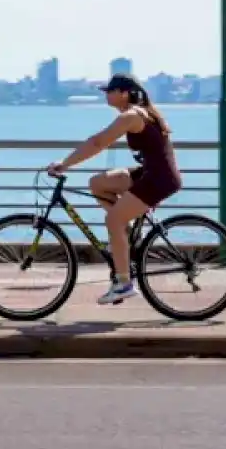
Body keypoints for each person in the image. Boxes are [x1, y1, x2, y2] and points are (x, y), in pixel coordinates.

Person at [47, 73, 183, 304]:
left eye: (110, 91)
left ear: (124, 93)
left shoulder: (132, 116)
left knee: (113, 221)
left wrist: (64, 164)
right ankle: (126, 235)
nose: (107, 95)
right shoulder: (138, 113)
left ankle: (124, 283)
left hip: (158, 179)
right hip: (149, 174)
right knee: (97, 183)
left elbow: (98, 142)